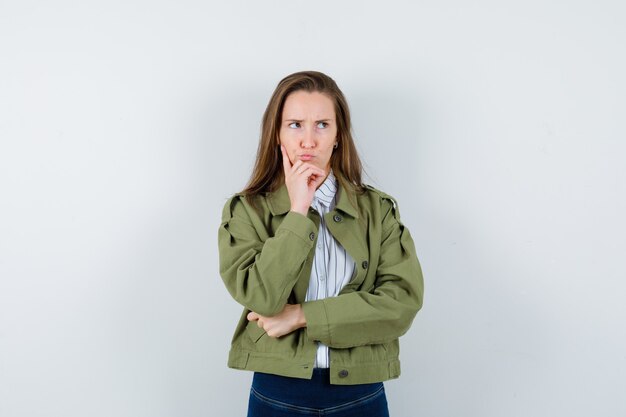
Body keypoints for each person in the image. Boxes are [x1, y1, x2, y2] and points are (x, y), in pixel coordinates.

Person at [218, 71, 424, 416]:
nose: (308, 140)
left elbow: (401, 304)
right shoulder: (247, 210)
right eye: (295, 124)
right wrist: (298, 210)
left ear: (338, 135)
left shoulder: (378, 210)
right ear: (277, 134)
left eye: (322, 125)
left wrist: (301, 316)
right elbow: (260, 297)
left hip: (361, 393)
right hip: (277, 393)